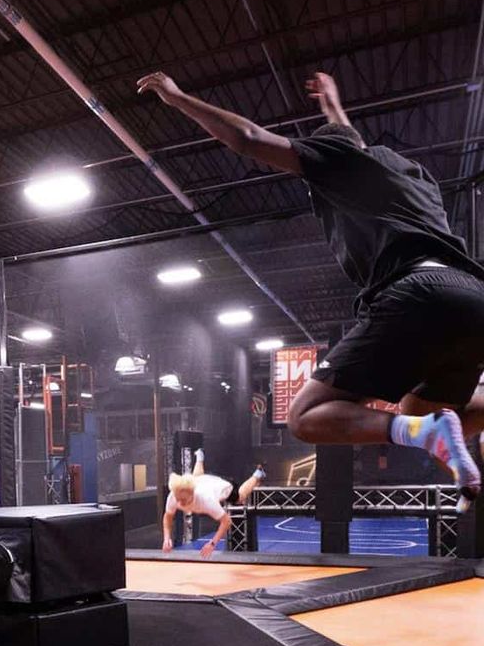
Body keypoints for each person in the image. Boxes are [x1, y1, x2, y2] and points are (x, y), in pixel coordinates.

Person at [137, 69, 484, 507]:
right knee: (422, 415)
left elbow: (247, 136)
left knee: (304, 416)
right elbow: (350, 137)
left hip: (417, 292)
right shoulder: (414, 176)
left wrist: (179, 97)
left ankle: (426, 433)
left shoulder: (338, 160)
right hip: (474, 297)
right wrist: (332, 104)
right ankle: (431, 430)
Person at [162, 448, 265, 557]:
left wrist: (212, 543)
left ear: (192, 494)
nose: (179, 503)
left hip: (224, 485)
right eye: (178, 499)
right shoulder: (173, 496)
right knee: (196, 477)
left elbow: (226, 521)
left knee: (240, 498)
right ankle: (200, 456)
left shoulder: (206, 500)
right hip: (205, 481)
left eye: (183, 500)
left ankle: (258, 474)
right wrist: (167, 537)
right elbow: (168, 516)